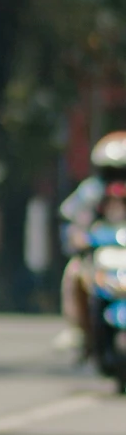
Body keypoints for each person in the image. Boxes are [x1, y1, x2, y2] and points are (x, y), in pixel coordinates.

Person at [59, 132, 126, 350]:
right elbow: (70, 219)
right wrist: (76, 237)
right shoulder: (91, 192)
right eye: (113, 171)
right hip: (100, 254)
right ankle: (77, 329)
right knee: (74, 272)